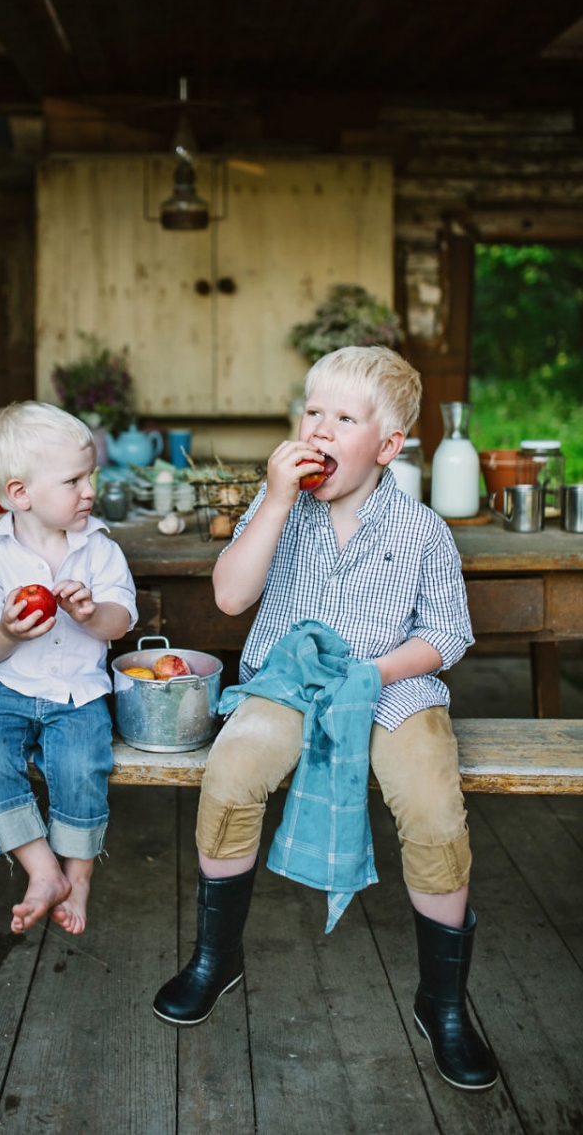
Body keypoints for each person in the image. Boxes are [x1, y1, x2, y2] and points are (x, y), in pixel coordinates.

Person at [152, 346, 498, 1092]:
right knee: (232, 771)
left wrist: (372, 674)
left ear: (387, 446)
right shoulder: (277, 509)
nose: (319, 428)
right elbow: (230, 598)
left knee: (433, 807)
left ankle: (442, 1001)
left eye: (344, 418)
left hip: (390, 688)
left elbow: (447, 635)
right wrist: (274, 501)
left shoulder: (422, 531)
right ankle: (215, 957)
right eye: (312, 411)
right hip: (286, 683)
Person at [0, 401, 137, 937]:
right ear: (20, 493)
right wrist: (8, 631)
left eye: (90, 476)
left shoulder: (99, 551)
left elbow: (121, 622)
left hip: (78, 694)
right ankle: (41, 868)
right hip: (6, 689)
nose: (89, 491)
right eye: (73, 481)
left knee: (82, 764)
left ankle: (78, 877)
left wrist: (91, 613)